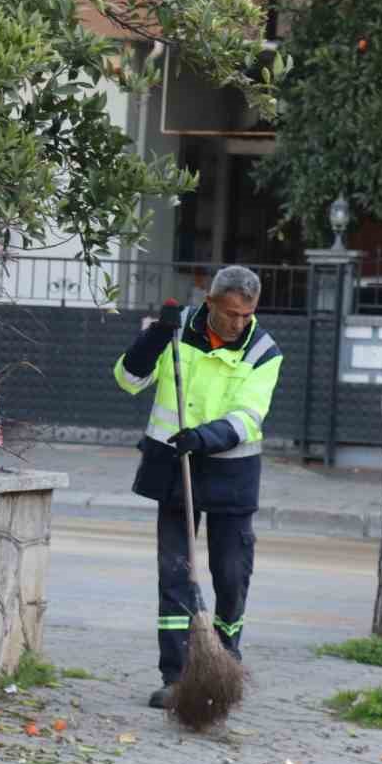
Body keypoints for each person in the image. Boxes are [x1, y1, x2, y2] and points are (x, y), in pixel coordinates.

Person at [111, 266, 283, 710]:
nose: (238, 324)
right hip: (174, 469)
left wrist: (204, 438)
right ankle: (178, 676)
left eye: (247, 315)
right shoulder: (175, 332)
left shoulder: (263, 351)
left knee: (230, 575)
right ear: (209, 303)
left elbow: (249, 417)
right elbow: (127, 380)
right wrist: (154, 337)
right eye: (230, 314)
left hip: (230, 473)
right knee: (175, 575)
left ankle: (224, 665)